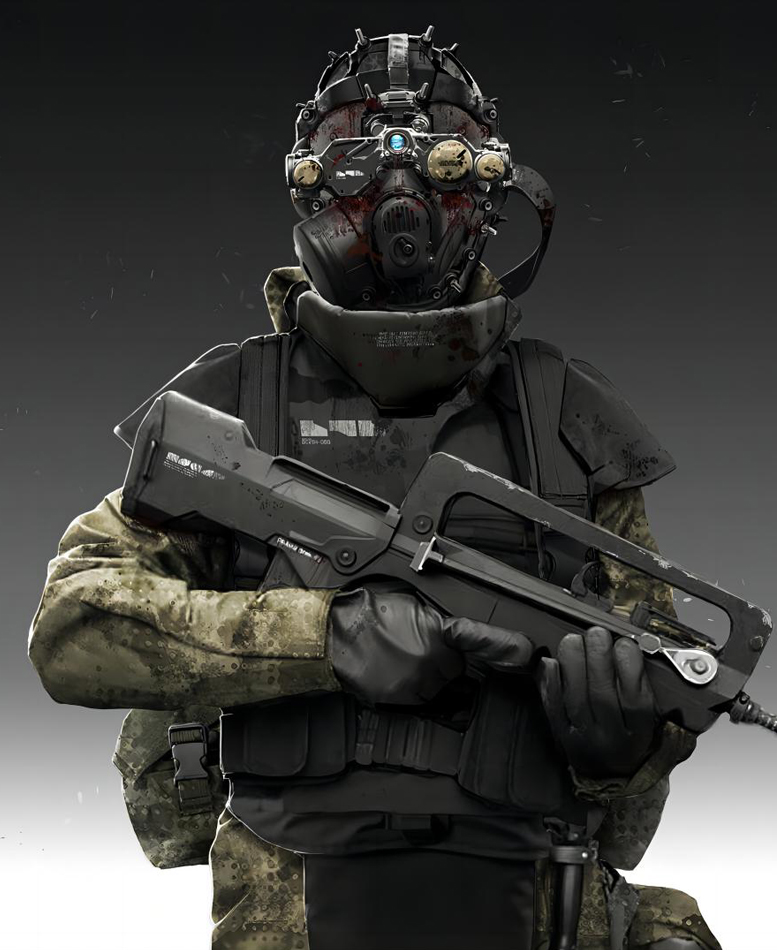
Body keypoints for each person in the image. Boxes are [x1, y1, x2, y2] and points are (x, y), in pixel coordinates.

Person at [28, 28, 723, 950]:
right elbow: (73, 626)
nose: (401, 199)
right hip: (287, 905)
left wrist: (619, 743)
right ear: (310, 185)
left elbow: (642, 762)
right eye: (357, 162)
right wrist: (325, 637)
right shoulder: (236, 409)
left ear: (490, 188)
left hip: (535, 895)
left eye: (441, 163)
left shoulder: (563, 422)